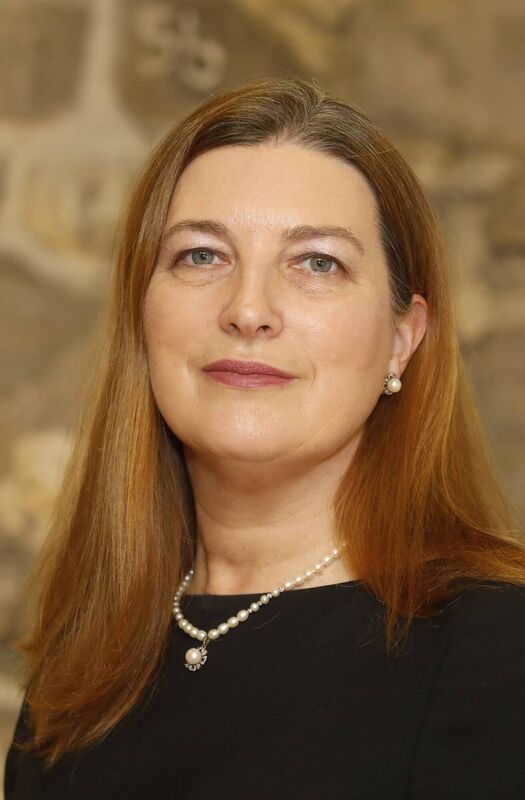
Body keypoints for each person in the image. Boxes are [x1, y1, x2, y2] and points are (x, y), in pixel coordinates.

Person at [4, 75, 525, 799]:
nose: (248, 310)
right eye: (202, 255)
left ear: (401, 339)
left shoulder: (496, 649)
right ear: (141, 315)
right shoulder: (82, 669)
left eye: (318, 263)